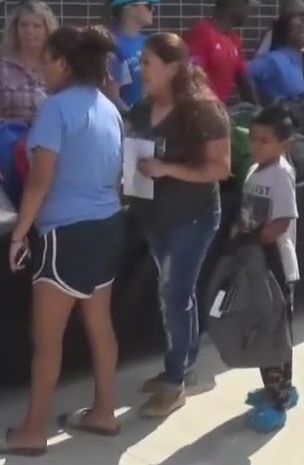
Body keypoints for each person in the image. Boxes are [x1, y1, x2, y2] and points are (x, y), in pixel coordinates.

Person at [0, 25, 125, 457]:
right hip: (109, 227)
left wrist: (19, 234)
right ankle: (103, 411)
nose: (41, 68)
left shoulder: (56, 109)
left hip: (66, 233)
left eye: (46, 59)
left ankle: (32, 429)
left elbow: (39, 181)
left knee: (47, 339)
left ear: (62, 63)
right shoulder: (109, 107)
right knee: (100, 324)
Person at [126, 33, 231, 417]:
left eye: (148, 63)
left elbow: (221, 166)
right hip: (153, 217)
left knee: (175, 295)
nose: (142, 71)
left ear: (172, 67)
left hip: (194, 216)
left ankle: (175, 383)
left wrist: (167, 168)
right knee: (173, 293)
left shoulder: (202, 109)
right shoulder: (142, 108)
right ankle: (183, 365)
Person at [236, 105, 300, 433]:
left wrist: (256, 241)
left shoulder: (281, 174)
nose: (257, 146)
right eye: (254, 139)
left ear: (284, 144)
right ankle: (275, 388)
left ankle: (279, 400)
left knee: (275, 333)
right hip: (255, 264)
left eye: (265, 141)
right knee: (261, 330)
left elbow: (284, 219)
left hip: (275, 265)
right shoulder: (255, 170)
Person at [0, 0, 58, 125]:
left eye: (36, 26)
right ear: (15, 29)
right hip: (10, 139)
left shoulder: (57, 65)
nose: (29, 30)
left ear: (47, 30)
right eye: (24, 25)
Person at [185, 0, 259, 104]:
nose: (248, 11)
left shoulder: (234, 39)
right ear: (233, 4)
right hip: (199, 113)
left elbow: (244, 80)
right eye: (245, 4)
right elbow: (192, 79)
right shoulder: (202, 32)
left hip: (218, 113)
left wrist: (259, 112)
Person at [107, 0, 163, 109]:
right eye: (149, 5)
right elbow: (111, 92)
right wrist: (130, 119)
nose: (153, 9)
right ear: (130, 8)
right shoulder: (111, 44)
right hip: (129, 124)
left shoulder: (148, 42)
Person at [248, 14, 304, 103]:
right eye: (295, 28)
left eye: (302, 27)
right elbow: (243, 70)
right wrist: (256, 104)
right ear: (283, 35)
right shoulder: (273, 60)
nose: (301, 31)